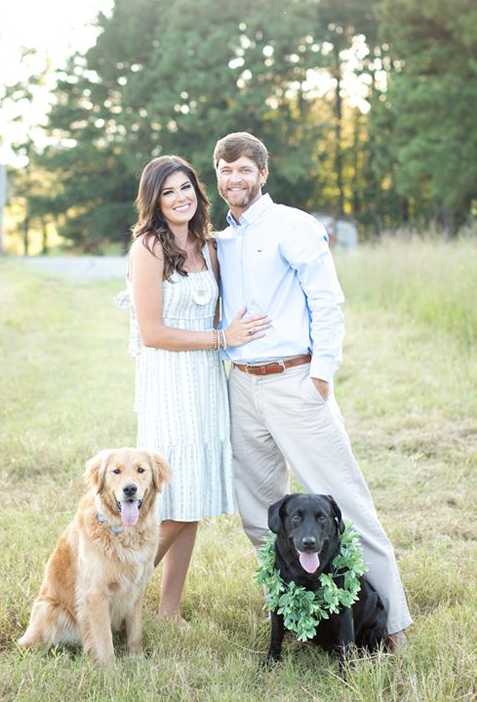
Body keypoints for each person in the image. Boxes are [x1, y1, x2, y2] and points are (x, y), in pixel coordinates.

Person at [213, 132, 412, 649]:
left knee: (346, 506)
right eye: (224, 169)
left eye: (243, 169)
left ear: (262, 174)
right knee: (261, 517)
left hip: (295, 381)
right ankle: (301, 615)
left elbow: (327, 302)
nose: (234, 178)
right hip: (243, 388)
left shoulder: (294, 225)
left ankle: (393, 629)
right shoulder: (222, 239)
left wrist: (321, 374)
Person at [115, 155, 268, 629]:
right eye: (168, 192)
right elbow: (154, 331)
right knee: (174, 496)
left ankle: (168, 608)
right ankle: (113, 591)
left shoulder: (210, 245)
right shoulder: (148, 248)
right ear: (155, 201)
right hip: (169, 381)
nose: (180, 198)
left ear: (197, 194)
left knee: (194, 491)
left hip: (206, 382)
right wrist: (224, 339)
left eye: (186, 188)